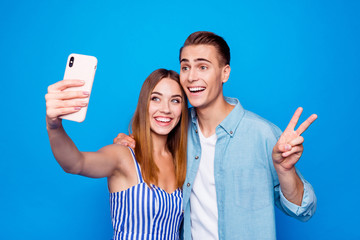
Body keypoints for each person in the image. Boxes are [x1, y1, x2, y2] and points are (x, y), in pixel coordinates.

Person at [114, 31, 317, 240]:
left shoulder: (262, 133)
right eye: (185, 67)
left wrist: (285, 171)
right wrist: (129, 142)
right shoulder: (176, 129)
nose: (192, 77)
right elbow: (149, 145)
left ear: (225, 73)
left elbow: (303, 210)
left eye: (203, 67)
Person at [45, 68, 189, 240]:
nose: (166, 109)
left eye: (175, 101)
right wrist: (54, 127)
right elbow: (76, 163)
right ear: (144, 104)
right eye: (155, 98)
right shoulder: (124, 156)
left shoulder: (183, 161)